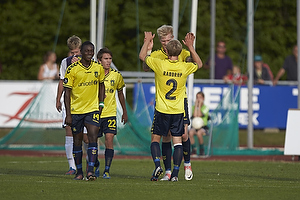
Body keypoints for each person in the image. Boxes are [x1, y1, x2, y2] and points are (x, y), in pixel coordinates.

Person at [140, 31, 202, 181]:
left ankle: (158, 165)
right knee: (177, 141)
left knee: (156, 139)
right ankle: (174, 174)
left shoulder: (160, 64)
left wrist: (147, 41)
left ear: (166, 51)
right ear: (180, 52)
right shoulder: (184, 67)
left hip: (162, 109)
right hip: (178, 110)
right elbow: (199, 64)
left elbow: (142, 57)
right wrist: (191, 47)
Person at [63, 41, 105, 181]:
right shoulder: (73, 68)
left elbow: (101, 85)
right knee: (77, 140)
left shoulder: (98, 68)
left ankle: (90, 171)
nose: (89, 53)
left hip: (92, 109)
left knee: (93, 138)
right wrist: (68, 114)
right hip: (76, 111)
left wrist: (100, 104)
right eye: (86, 51)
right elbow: (67, 92)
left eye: (91, 51)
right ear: (81, 51)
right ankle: (79, 172)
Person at [56, 35, 88, 175]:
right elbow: (62, 81)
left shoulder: (88, 61)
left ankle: (91, 163)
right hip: (70, 102)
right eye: (72, 53)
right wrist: (58, 99)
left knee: (86, 136)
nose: (75, 55)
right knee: (69, 131)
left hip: (86, 102)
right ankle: (72, 166)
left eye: (77, 52)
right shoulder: (65, 62)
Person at [96, 47, 128, 179]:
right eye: (105, 59)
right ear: (99, 60)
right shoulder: (94, 74)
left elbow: (120, 93)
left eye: (110, 59)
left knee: (109, 140)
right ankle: (95, 164)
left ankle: (107, 170)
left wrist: (125, 111)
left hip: (110, 113)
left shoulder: (116, 75)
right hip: (95, 113)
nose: (108, 61)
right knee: (89, 140)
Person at [189, 92, 209, 156]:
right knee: (190, 132)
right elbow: (195, 115)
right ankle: (194, 149)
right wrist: (196, 106)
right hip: (195, 127)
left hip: (203, 127)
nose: (198, 99)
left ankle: (201, 150)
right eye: (197, 97)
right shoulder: (193, 107)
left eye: (200, 97)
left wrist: (199, 105)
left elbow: (200, 114)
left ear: (203, 98)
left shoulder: (206, 107)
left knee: (199, 133)